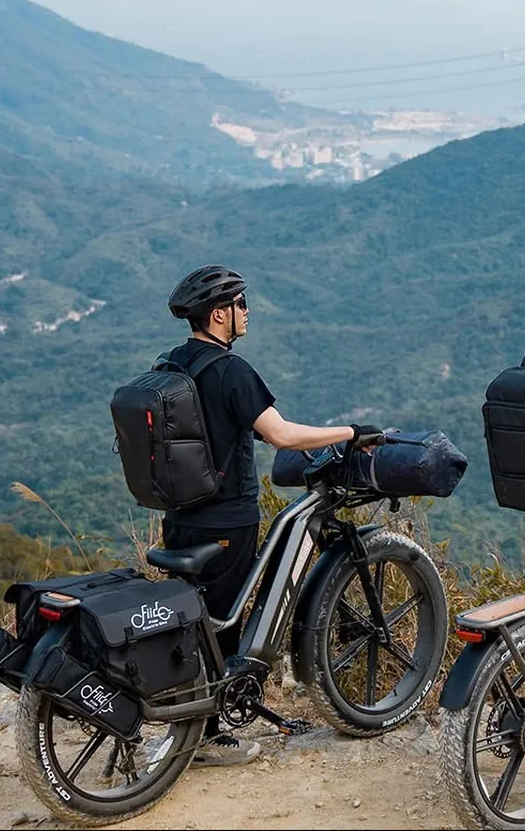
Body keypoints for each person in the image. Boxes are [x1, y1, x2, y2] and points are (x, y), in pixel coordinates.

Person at [161, 264, 382, 766]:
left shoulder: (174, 363)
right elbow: (281, 435)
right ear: (219, 314)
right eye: (239, 304)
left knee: (195, 622)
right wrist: (349, 431)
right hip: (226, 519)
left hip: (180, 517)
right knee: (224, 627)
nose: (246, 311)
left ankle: (187, 719)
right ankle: (209, 739)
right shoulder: (230, 371)